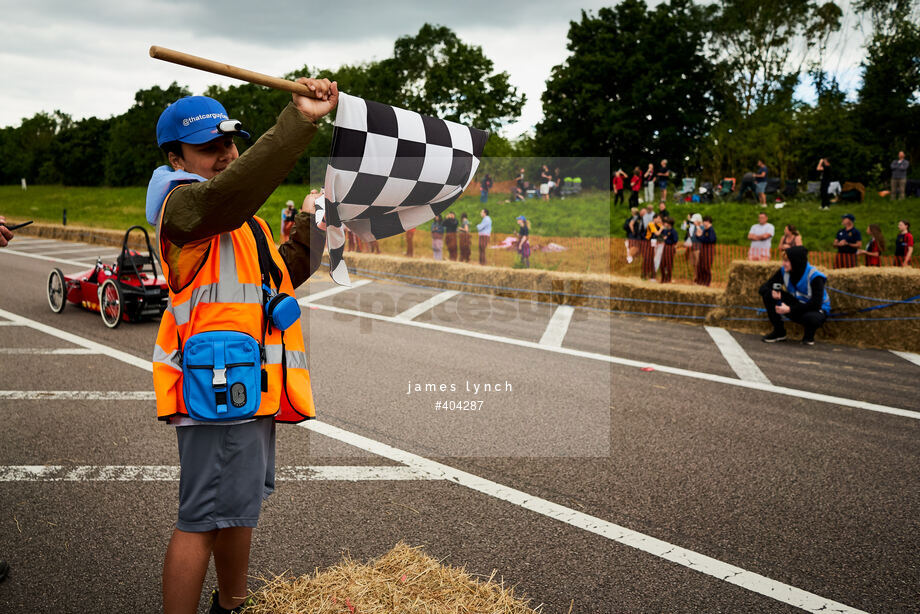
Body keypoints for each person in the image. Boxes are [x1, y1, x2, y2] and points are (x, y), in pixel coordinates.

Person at [147, 79, 337, 614]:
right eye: (211, 148)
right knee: (201, 521)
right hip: (217, 391)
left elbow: (284, 274)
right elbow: (229, 194)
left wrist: (311, 222)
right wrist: (300, 120)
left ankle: (231, 606)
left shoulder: (241, 223)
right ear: (176, 156)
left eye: (231, 143)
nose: (227, 155)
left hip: (242, 388)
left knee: (236, 511)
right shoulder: (183, 207)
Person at [759, 246, 830, 345]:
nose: (783, 264)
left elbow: (815, 304)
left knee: (811, 318)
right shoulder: (784, 271)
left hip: (816, 309)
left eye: (786, 261)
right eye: (783, 260)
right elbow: (763, 288)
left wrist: (789, 309)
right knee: (768, 295)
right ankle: (779, 332)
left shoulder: (815, 277)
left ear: (796, 261)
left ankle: (808, 337)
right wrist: (772, 292)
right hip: (797, 305)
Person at [695, 215, 716, 286]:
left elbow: (710, 240)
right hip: (703, 249)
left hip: (708, 250)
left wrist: (699, 236)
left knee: (706, 266)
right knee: (700, 265)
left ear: (709, 222)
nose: (704, 223)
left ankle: (706, 282)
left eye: (706, 221)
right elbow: (702, 239)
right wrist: (699, 236)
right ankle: (700, 281)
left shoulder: (711, 230)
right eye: (704, 221)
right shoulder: (705, 230)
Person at [659, 216, 679, 283]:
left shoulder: (674, 231)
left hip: (670, 248)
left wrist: (666, 239)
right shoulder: (665, 231)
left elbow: (675, 241)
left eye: (666, 223)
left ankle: (668, 279)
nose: (664, 224)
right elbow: (661, 237)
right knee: (662, 264)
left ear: (669, 224)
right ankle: (663, 278)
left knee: (669, 264)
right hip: (665, 248)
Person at [642, 213, 661, 281]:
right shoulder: (651, 224)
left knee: (652, 259)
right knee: (647, 259)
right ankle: (644, 275)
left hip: (653, 244)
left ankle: (652, 276)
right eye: (658, 218)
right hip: (647, 243)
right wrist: (662, 228)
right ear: (654, 218)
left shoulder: (658, 225)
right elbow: (657, 233)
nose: (659, 220)